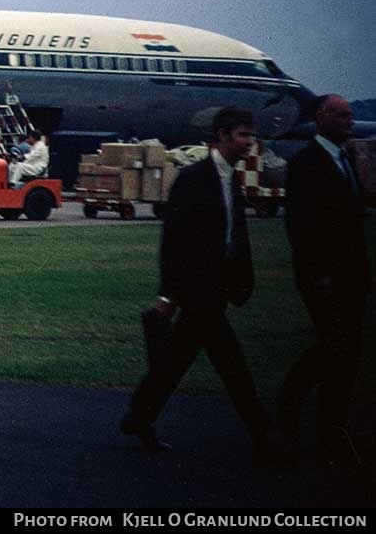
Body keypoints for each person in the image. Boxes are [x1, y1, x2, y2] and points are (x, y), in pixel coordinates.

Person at [120, 107, 272, 460]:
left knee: (174, 362)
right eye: (242, 135)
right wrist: (168, 293)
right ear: (221, 136)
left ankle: (138, 416)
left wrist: (241, 280)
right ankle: (265, 435)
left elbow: (233, 234)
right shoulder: (193, 179)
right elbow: (174, 241)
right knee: (234, 368)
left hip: (218, 289)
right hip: (198, 291)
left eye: (252, 135)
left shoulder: (230, 178)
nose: (250, 143)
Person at [276, 94, 369, 464]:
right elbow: (301, 226)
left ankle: (332, 426)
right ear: (321, 117)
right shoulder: (307, 163)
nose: (349, 122)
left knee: (345, 352)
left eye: (350, 116)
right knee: (333, 346)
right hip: (324, 279)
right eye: (342, 116)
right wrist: (319, 276)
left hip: (352, 276)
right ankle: (293, 412)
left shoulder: (344, 160)